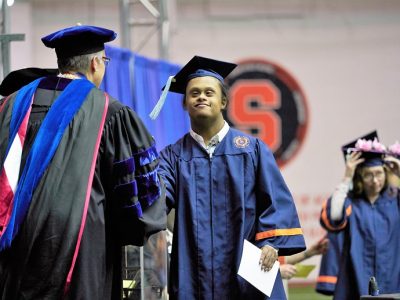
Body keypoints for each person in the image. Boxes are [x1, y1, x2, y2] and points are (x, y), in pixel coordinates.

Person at [0, 25, 166, 299]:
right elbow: (137, 199)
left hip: (14, 250)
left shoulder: (10, 105)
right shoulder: (108, 111)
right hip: (80, 251)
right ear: (95, 63)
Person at [157, 55, 306, 299]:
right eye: (194, 93)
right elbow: (157, 197)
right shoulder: (174, 156)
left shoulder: (251, 149)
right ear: (185, 103)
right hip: (196, 271)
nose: (201, 97)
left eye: (209, 92)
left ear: (223, 101)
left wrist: (270, 242)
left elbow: (275, 200)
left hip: (246, 265)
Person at [320, 131, 400, 299]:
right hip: (356, 277)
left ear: (386, 173)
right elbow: (334, 216)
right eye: (368, 175)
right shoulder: (351, 203)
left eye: (379, 173)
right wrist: (347, 176)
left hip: (393, 274)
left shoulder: (396, 200)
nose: (375, 180)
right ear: (360, 178)